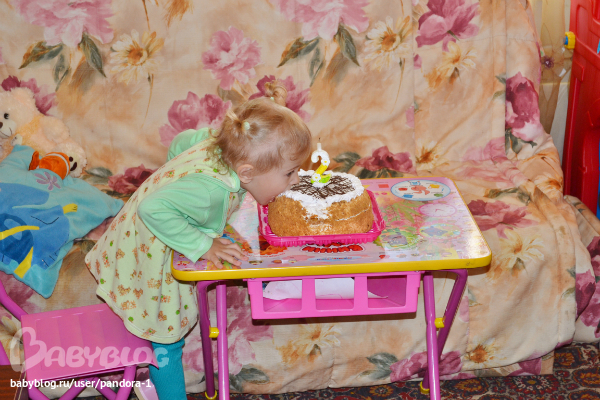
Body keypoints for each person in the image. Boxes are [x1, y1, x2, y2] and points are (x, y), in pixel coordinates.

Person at [84, 82, 312, 400]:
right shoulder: (209, 191)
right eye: (290, 173)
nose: (296, 179)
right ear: (246, 173)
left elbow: (181, 142)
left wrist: (177, 180)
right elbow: (152, 209)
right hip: (150, 251)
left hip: (148, 229)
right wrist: (202, 244)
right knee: (167, 339)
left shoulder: (221, 142)